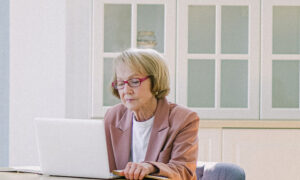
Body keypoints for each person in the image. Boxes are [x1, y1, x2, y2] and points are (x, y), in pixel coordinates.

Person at [104, 48, 200, 180]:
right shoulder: (113, 116)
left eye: (134, 81)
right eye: (121, 83)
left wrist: (151, 167)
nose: (126, 90)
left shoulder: (184, 119)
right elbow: (104, 168)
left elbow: (183, 171)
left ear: (155, 81)